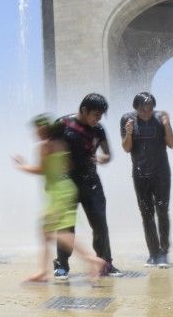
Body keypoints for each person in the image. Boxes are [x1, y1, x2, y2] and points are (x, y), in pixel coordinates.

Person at [14, 115, 106, 283]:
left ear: (42, 129)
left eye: (37, 129)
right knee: (51, 232)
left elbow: (40, 170)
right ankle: (44, 270)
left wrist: (21, 166)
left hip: (58, 193)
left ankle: (90, 260)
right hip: (67, 189)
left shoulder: (44, 147)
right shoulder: (62, 144)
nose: (35, 132)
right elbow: (68, 166)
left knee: (53, 232)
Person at [54, 93, 122, 279]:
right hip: (67, 182)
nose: (98, 120)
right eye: (95, 115)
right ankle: (62, 264)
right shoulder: (63, 125)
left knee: (100, 224)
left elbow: (108, 155)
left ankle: (105, 262)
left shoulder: (98, 130)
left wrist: (101, 158)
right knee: (66, 226)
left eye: (100, 116)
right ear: (84, 110)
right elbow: (47, 150)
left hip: (91, 182)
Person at [121, 92, 173, 268]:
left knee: (162, 210)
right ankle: (153, 253)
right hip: (140, 173)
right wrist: (128, 133)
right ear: (135, 109)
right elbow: (127, 148)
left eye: (150, 109)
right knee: (146, 214)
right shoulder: (127, 119)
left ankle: (164, 253)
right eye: (143, 110)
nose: (147, 112)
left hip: (161, 173)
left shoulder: (161, 117)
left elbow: (172, 143)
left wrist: (167, 126)